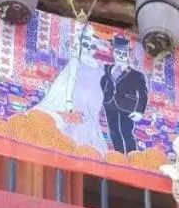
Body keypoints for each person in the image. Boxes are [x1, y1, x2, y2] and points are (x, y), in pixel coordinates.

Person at [33, 26, 108, 154]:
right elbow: (70, 79)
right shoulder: (76, 60)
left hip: (91, 106)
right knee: (73, 130)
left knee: (89, 134)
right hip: (76, 99)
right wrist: (68, 100)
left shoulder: (99, 66)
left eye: (92, 46)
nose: (89, 48)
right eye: (85, 44)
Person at [100, 34, 149, 155]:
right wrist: (105, 96)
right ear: (114, 53)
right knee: (113, 131)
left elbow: (143, 94)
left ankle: (133, 156)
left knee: (126, 132)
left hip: (127, 107)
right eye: (118, 53)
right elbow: (103, 82)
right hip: (110, 104)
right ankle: (119, 155)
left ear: (128, 55)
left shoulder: (136, 75)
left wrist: (139, 111)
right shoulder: (107, 69)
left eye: (124, 54)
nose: (121, 57)